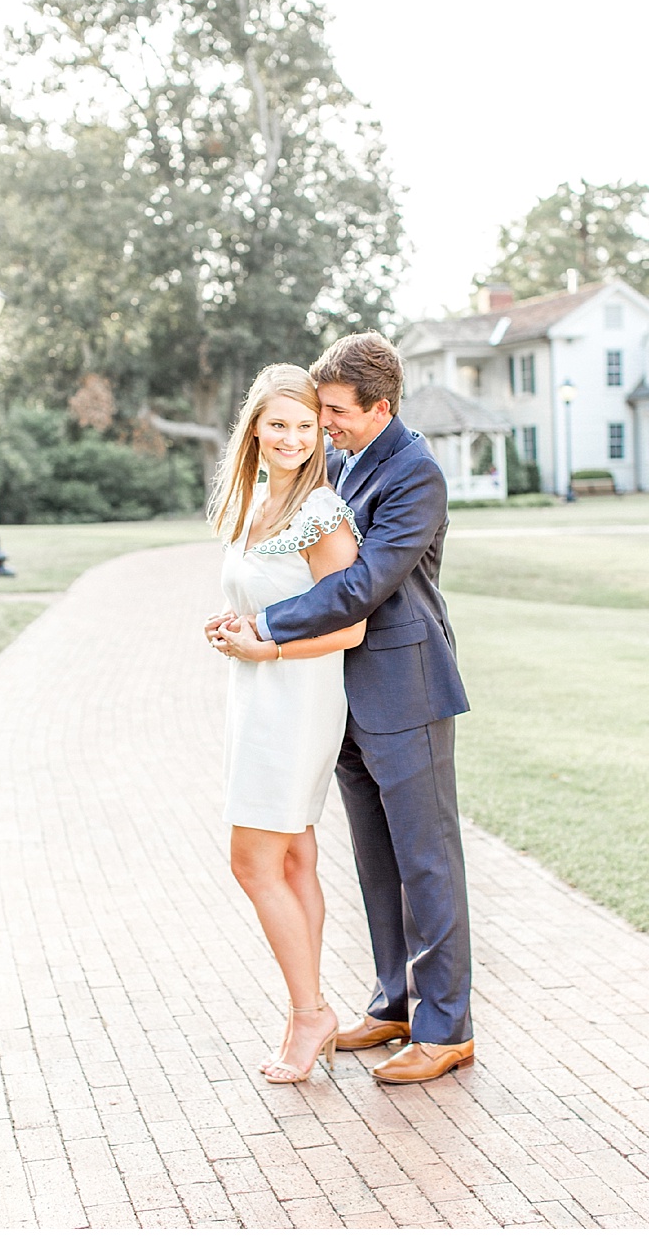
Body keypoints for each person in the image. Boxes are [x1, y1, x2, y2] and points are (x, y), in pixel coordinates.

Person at [219, 332, 473, 1085]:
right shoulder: (352, 459)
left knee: (428, 863)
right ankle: (395, 1002)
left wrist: (266, 627)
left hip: (405, 689)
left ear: (379, 407)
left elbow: (364, 587)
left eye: (333, 411)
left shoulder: (416, 473)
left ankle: (445, 1026)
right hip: (341, 694)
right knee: (377, 864)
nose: (323, 424)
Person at [204, 364, 365, 1083]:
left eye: (306, 426)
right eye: (280, 424)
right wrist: (234, 627)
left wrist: (265, 645)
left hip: (297, 700)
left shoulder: (321, 512)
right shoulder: (253, 506)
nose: (294, 438)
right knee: (294, 857)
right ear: (256, 430)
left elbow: (351, 627)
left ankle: (309, 1015)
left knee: (252, 861)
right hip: (256, 696)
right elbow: (268, 596)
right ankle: (312, 1009)